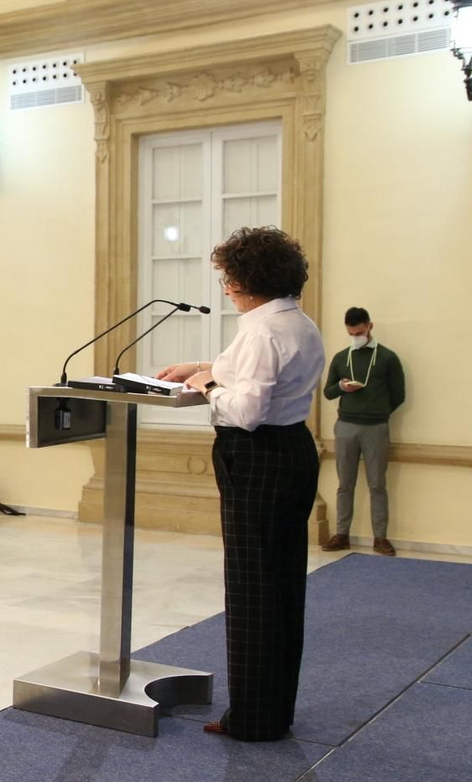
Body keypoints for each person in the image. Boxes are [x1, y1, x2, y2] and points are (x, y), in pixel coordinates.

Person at [156, 226, 325, 743]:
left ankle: (252, 720)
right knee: (281, 586)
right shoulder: (297, 322)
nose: (226, 287)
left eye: (228, 277)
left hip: (256, 457)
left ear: (246, 280)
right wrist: (202, 366)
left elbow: (247, 411)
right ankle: (272, 710)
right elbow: (260, 376)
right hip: (292, 450)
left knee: (253, 591)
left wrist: (206, 384)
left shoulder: (260, 330)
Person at [321, 307, 406, 557]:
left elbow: (399, 395)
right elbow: (327, 392)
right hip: (346, 426)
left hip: (376, 427)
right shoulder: (341, 357)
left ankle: (380, 537)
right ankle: (342, 534)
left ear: (369, 327)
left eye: (359, 333)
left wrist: (379, 411)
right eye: (351, 333)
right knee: (344, 484)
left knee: (377, 484)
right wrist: (341, 387)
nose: (355, 337)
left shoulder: (387, 358)